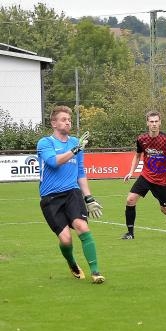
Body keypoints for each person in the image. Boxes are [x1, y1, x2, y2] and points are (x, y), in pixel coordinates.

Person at [37, 105, 105, 284]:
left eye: (69, 120)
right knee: (66, 239)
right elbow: (53, 162)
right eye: (63, 120)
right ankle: (71, 262)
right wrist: (76, 149)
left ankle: (96, 272)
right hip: (50, 198)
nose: (68, 122)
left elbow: (80, 172)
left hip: (72, 193)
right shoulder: (46, 143)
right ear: (53, 123)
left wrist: (89, 197)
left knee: (82, 226)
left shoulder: (75, 142)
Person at [122, 110, 166, 239]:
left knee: (165, 209)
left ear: (160, 123)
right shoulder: (141, 139)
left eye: (156, 121)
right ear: (147, 123)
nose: (154, 124)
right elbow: (138, 156)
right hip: (146, 176)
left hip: (162, 180)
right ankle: (130, 233)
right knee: (130, 199)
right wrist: (131, 172)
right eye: (151, 121)